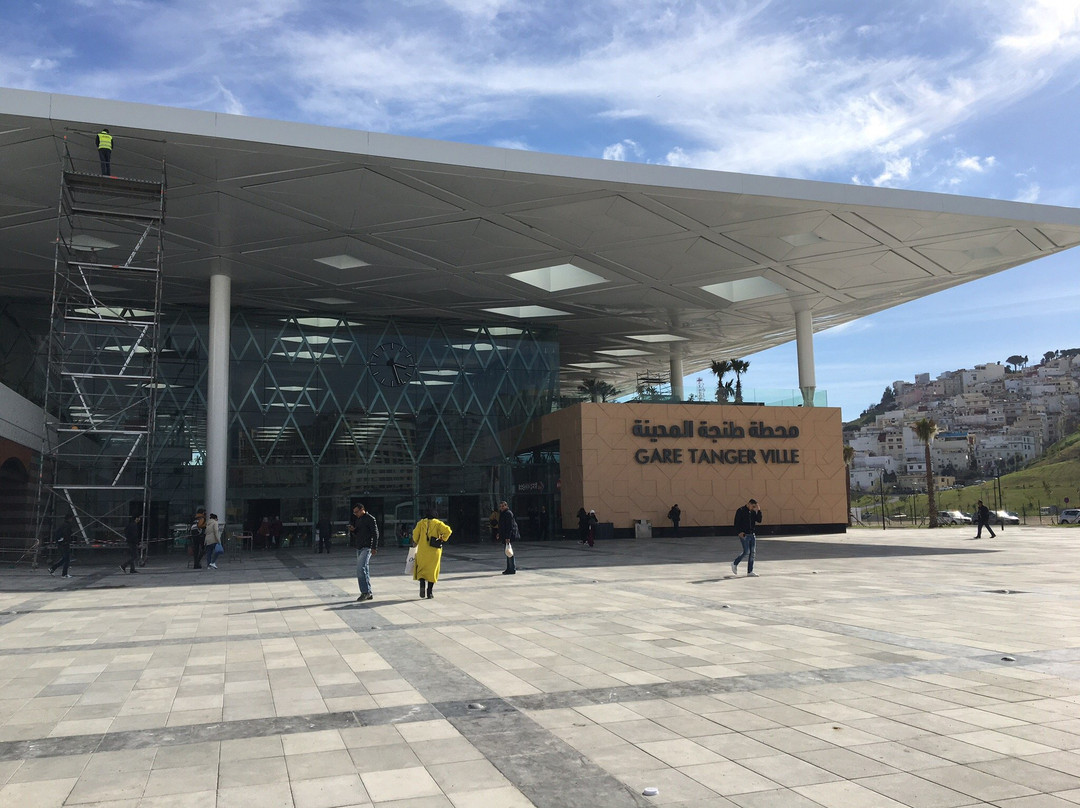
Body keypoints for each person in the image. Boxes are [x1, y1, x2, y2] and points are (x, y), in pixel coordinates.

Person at [412, 509, 451, 599]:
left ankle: (422, 583)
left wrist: (416, 541)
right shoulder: (438, 523)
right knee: (432, 571)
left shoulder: (420, 523)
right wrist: (442, 538)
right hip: (434, 551)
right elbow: (448, 531)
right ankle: (429, 592)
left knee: (421, 569)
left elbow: (415, 535)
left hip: (422, 550)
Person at [350, 503, 379, 601]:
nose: (356, 514)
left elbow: (375, 533)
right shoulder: (358, 520)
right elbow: (358, 533)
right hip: (359, 546)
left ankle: (365, 592)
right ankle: (368, 592)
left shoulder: (370, 519)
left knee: (360, 568)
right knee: (365, 569)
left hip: (367, 547)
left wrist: (374, 547)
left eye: (357, 512)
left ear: (362, 509)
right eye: (354, 513)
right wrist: (353, 530)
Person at [731, 498, 762, 577]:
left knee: (752, 553)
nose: (753, 508)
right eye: (753, 506)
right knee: (746, 551)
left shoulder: (753, 512)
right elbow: (736, 522)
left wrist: (758, 511)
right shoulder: (740, 510)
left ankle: (750, 571)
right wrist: (739, 532)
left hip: (752, 534)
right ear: (749, 504)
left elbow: (759, 520)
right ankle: (735, 563)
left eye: (755, 506)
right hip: (744, 534)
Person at [498, 500, 519, 574]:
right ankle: (509, 568)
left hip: (508, 536)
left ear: (506, 506)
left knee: (510, 552)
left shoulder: (508, 513)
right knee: (508, 552)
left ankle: (512, 568)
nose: (502, 507)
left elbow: (509, 526)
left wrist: (508, 537)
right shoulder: (503, 513)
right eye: (501, 506)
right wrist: (499, 533)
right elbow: (501, 525)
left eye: (503, 506)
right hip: (505, 535)